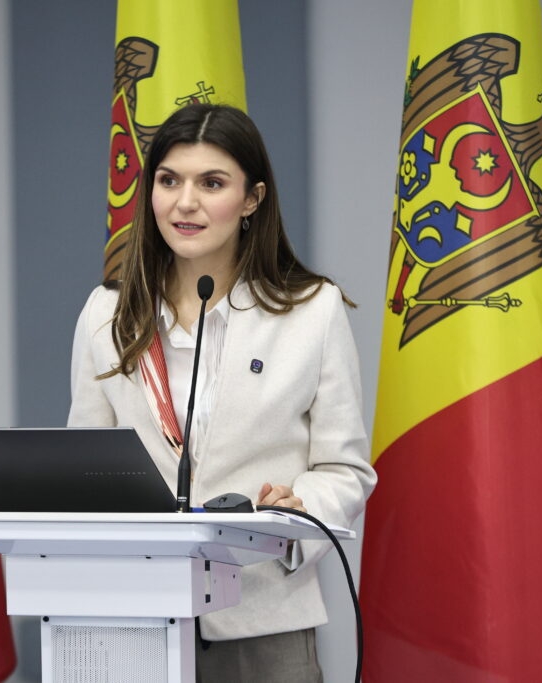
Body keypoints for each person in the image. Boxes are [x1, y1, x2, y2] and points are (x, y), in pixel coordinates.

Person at [68, 103, 376, 682]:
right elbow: (84, 464)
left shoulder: (313, 311)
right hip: (133, 618)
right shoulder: (105, 314)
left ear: (252, 199)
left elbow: (345, 469)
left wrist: (299, 510)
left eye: (211, 184)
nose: (185, 203)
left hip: (262, 617)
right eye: (169, 181)